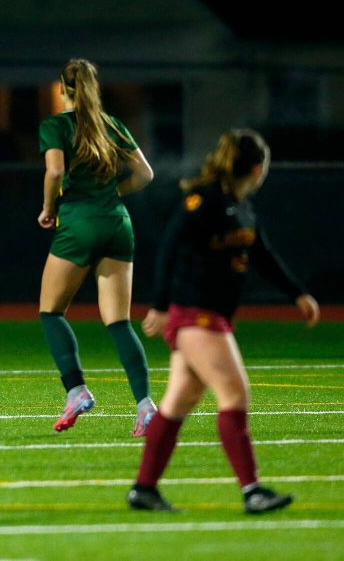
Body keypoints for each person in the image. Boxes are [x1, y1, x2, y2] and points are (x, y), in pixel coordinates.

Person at [128, 129, 319, 514]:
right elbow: (170, 246)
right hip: (195, 313)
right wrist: (162, 305)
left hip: (210, 315)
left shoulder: (241, 206)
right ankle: (252, 491)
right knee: (235, 394)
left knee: (178, 402)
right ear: (257, 166)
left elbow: (263, 254)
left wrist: (297, 293)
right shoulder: (207, 200)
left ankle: (144, 489)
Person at [37, 58, 157, 435]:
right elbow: (145, 173)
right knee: (119, 322)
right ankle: (146, 406)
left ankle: (76, 390)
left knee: (51, 312)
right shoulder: (112, 124)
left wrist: (48, 208)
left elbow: (55, 171)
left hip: (80, 222)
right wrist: (114, 193)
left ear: (62, 88)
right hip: (118, 222)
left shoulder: (56, 125)